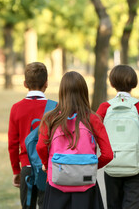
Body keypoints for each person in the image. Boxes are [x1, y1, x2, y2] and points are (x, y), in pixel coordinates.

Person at [36, 71, 113, 209]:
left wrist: (48, 166)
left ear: (62, 92)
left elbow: (41, 147)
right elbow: (108, 154)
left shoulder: (50, 118)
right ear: (84, 92)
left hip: (57, 183)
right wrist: (90, 167)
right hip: (86, 183)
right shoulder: (93, 118)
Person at [96, 65, 139, 209]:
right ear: (133, 84)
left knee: (113, 203)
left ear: (111, 84)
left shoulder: (105, 107)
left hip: (112, 161)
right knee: (132, 203)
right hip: (135, 161)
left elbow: (95, 132)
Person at [8, 62, 51, 209]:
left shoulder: (16, 108)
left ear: (25, 84)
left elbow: (12, 144)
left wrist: (16, 170)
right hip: (47, 168)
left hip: (26, 168)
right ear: (46, 83)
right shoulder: (55, 108)